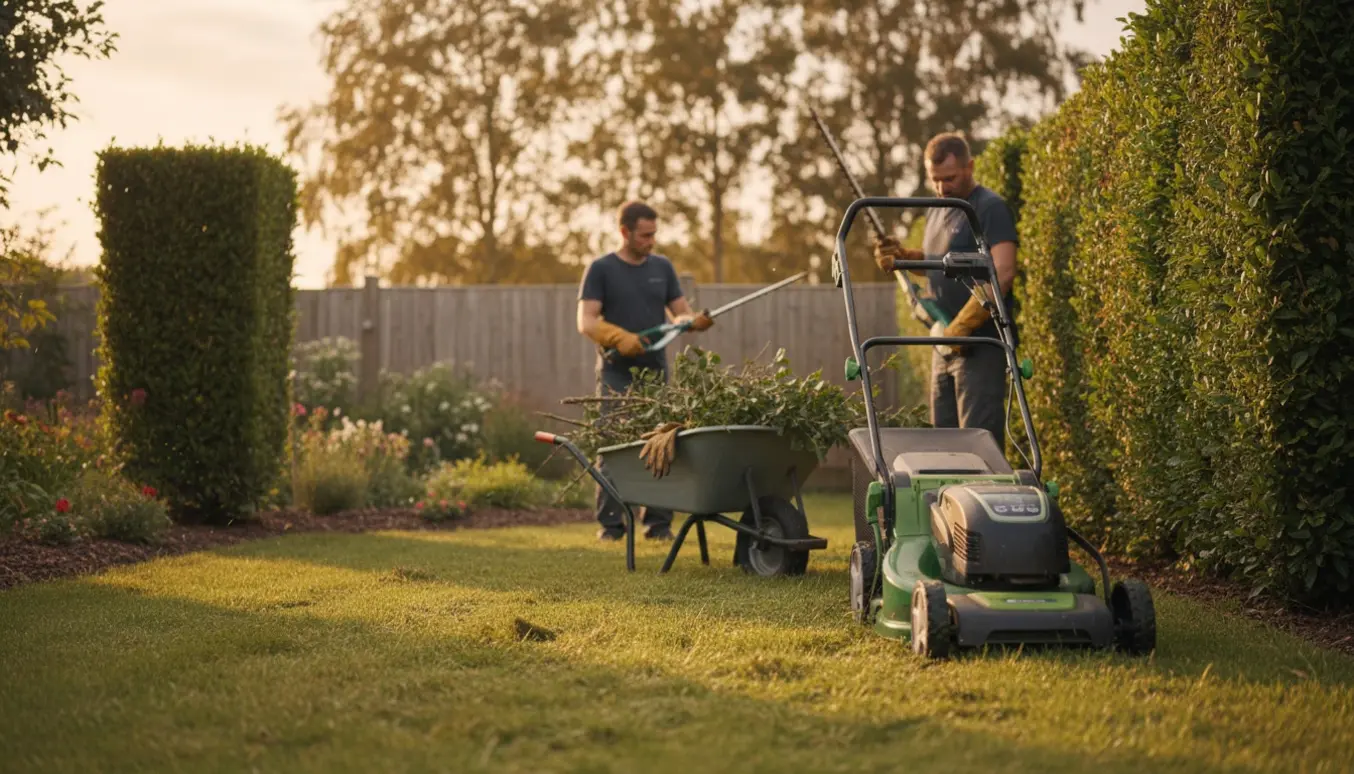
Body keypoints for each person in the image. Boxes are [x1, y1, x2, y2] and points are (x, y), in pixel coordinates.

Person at [577, 201, 714, 542]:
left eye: (654, 234)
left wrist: (692, 322)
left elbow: (679, 313)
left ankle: (658, 524)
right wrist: (619, 337)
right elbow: (587, 321)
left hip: (655, 372)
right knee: (613, 444)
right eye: (645, 235)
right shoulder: (601, 269)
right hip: (616, 373)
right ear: (624, 232)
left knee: (662, 443)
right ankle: (611, 526)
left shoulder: (663, 267)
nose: (651, 241)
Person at [874, 132, 1019, 449]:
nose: (942, 188)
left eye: (950, 178)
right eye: (935, 180)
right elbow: (937, 264)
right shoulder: (937, 209)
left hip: (981, 344)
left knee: (977, 446)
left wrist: (963, 326)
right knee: (944, 445)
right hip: (943, 344)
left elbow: (1003, 271)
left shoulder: (989, 207)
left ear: (971, 166)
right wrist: (904, 258)